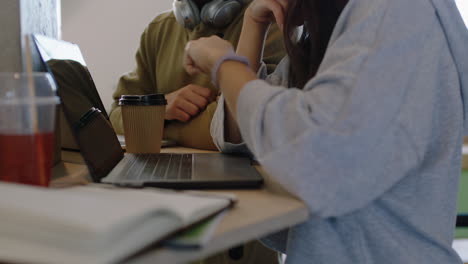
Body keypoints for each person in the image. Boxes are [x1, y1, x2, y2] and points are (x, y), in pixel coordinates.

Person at [183, 0, 468, 262]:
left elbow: (314, 156)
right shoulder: (342, 28)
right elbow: (244, 134)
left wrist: (224, 64)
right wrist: (253, 26)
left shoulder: (396, 13)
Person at [109, 0, 285, 150]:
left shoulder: (267, 20)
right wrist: (161, 109)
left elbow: (238, 126)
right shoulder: (159, 29)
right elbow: (116, 114)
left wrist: (155, 123)